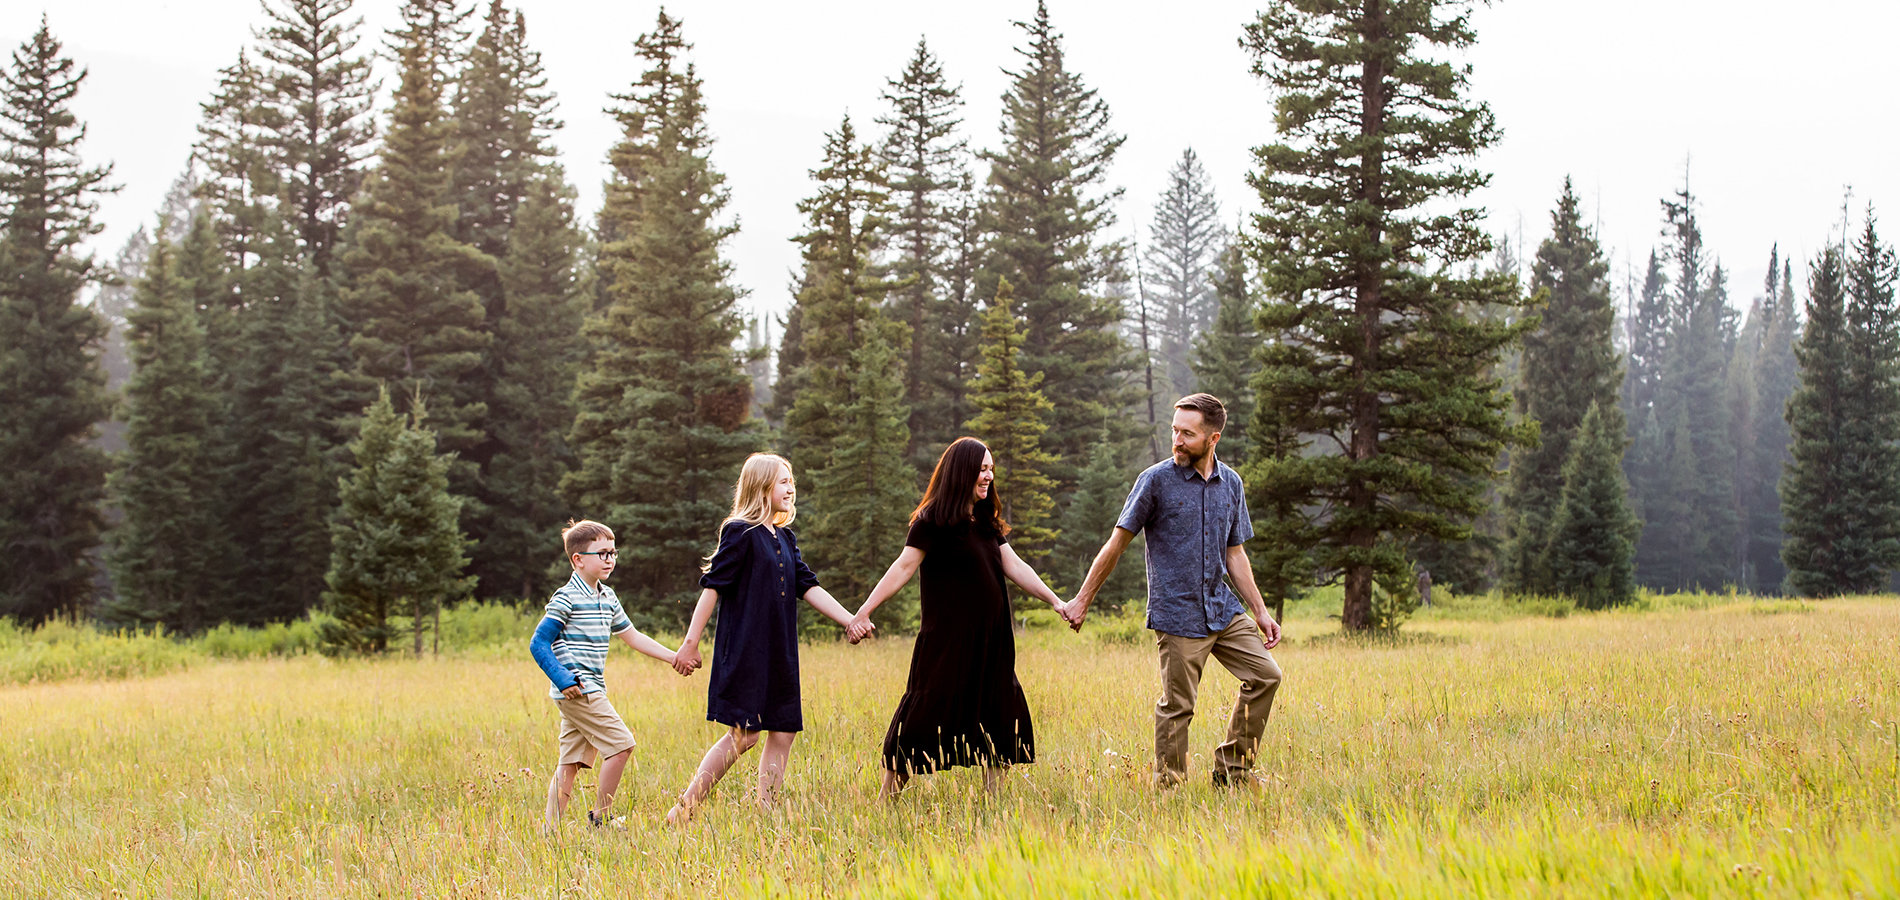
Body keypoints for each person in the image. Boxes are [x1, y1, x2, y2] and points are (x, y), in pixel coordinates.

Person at [1060, 393, 1285, 790]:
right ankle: (1170, 789)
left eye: (1187, 434)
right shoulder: (1155, 481)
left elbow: (1235, 553)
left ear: (1213, 438)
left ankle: (1232, 772)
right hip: (1177, 613)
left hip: (1222, 608)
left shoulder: (1230, 483)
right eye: (1174, 431)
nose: (1177, 441)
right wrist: (1082, 599)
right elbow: (1116, 544)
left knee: (1266, 676)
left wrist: (1261, 611)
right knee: (1178, 706)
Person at [853, 437, 1064, 798]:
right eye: (982, 469)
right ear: (962, 471)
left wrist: (1057, 602)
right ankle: (886, 801)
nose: (989, 476)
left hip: (992, 640)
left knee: (998, 712)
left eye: (991, 469)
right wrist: (864, 610)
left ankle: (992, 804)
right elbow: (902, 568)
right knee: (923, 715)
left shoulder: (986, 523)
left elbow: (1015, 566)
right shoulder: (930, 522)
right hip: (947, 641)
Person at [666, 453, 872, 824]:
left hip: (781, 651)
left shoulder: (785, 538)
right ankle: (683, 809)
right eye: (782, 481)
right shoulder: (740, 532)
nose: (790, 487)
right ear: (761, 487)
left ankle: (767, 814)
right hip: (746, 649)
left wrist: (851, 620)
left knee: (784, 731)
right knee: (745, 735)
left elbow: (808, 586)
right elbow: (712, 587)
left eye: (791, 479)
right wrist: (690, 642)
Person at [529, 519, 691, 831]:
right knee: (622, 745)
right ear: (578, 559)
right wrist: (563, 678)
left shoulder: (607, 597)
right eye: (601, 553)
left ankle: (550, 832)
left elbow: (633, 637)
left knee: (570, 762)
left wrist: (674, 657)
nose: (609, 559)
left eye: (613, 553)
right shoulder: (567, 597)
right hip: (578, 688)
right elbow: (539, 643)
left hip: (589, 687)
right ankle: (600, 820)